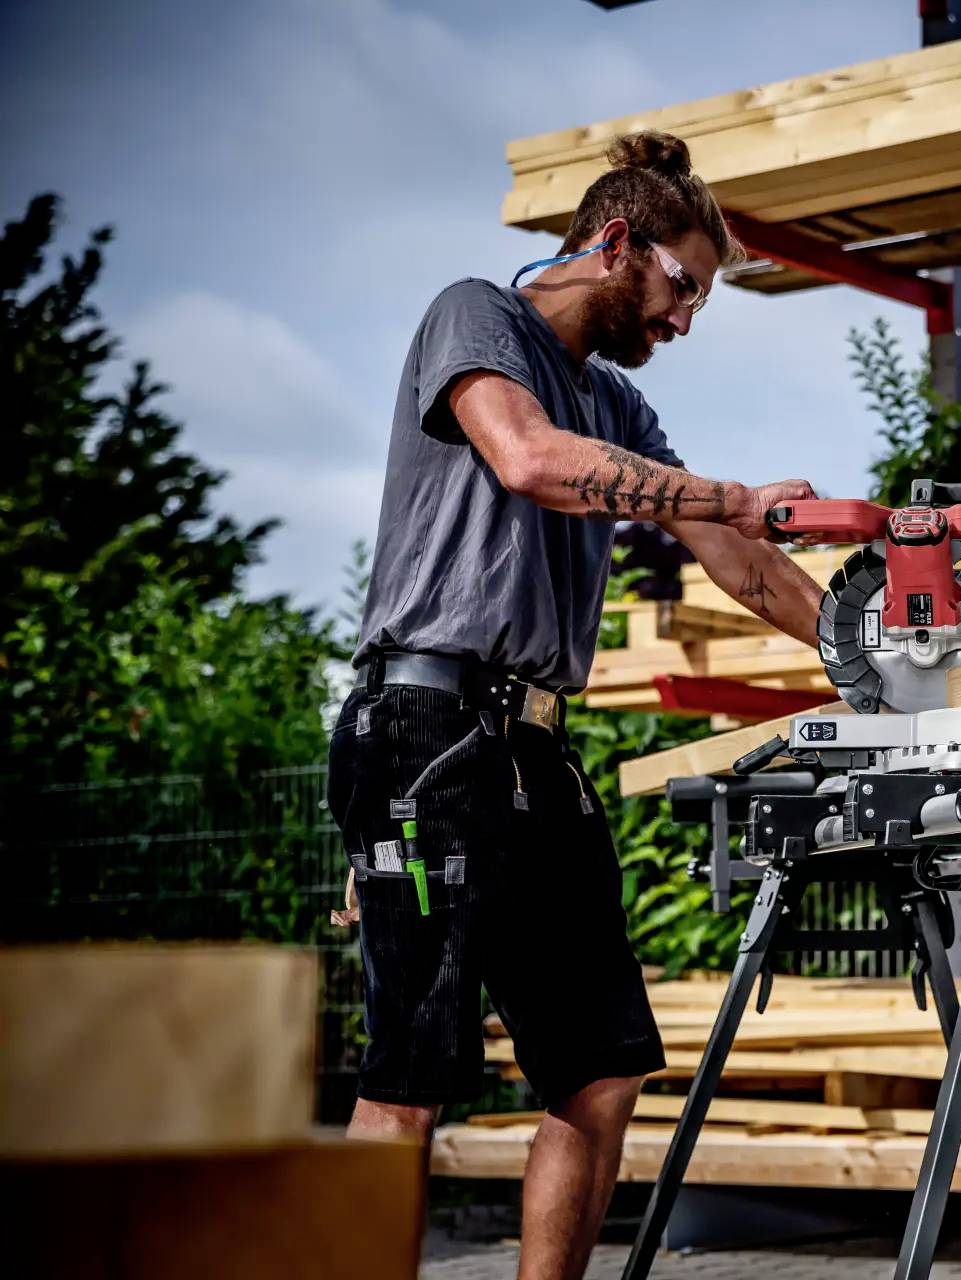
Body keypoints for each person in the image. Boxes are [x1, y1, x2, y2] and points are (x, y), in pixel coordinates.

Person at [327, 130, 823, 1280]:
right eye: (683, 285)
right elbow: (528, 459)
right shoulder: (476, 317)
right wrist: (732, 493)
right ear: (615, 242)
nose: (684, 319)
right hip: (423, 727)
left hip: (532, 746)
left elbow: (738, 556)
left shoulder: (617, 407)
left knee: (600, 1070)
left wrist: (871, 647)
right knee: (410, 1077)